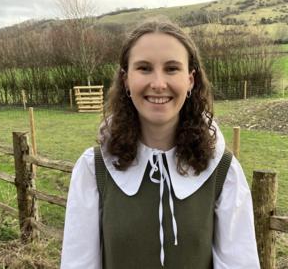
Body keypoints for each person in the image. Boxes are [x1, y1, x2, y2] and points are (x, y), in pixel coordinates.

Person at [61, 19, 260, 269]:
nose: (158, 83)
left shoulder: (223, 172)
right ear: (125, 79)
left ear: (190, 80)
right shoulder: (94, 170)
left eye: (172, 68)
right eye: (144, 68)